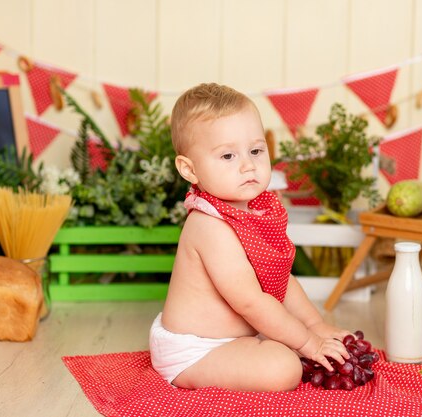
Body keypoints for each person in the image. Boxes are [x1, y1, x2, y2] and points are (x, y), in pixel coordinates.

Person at [149, 83, 352, 392]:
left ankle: (280, 340)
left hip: (236, 338)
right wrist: (308, 342)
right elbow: (251, 302)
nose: (248, 165)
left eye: (256, 150)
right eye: (228, 156)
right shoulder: (208, 225)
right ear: (189, 169)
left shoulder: (255, 210)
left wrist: (315, 326)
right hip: (196, 350)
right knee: (283, 367)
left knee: (284, 344)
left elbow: (279, 281)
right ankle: (248, 355)